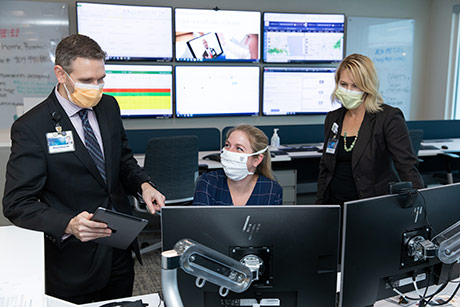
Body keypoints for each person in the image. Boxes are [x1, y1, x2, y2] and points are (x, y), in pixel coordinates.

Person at [2, 34, 165, 304]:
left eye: (101, 79)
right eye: (87, 81)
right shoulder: (32, 127)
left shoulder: (108, 106)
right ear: (61, 74)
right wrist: (67, 224)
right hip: (74, 259)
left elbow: (122, 160)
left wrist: (143, 185)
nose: (96, 87)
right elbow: (17, 203)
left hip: (118, 248)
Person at [316, 53, 424, 205]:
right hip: (334, 206)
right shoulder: (333, 118)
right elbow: (325, 168)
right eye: (343, 84)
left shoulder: (387, 118)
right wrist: (320, 206)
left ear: (367, 87)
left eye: (355, 86)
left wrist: (418, 207)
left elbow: (406, 167)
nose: (348, 90)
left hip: (371, 207)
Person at [193, 124, 283, 205]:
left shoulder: (271, 189)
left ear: (257, 160)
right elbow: (199, 222)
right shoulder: (208, 182)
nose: (229, 152)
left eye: (239, 148)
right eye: (227, 145)